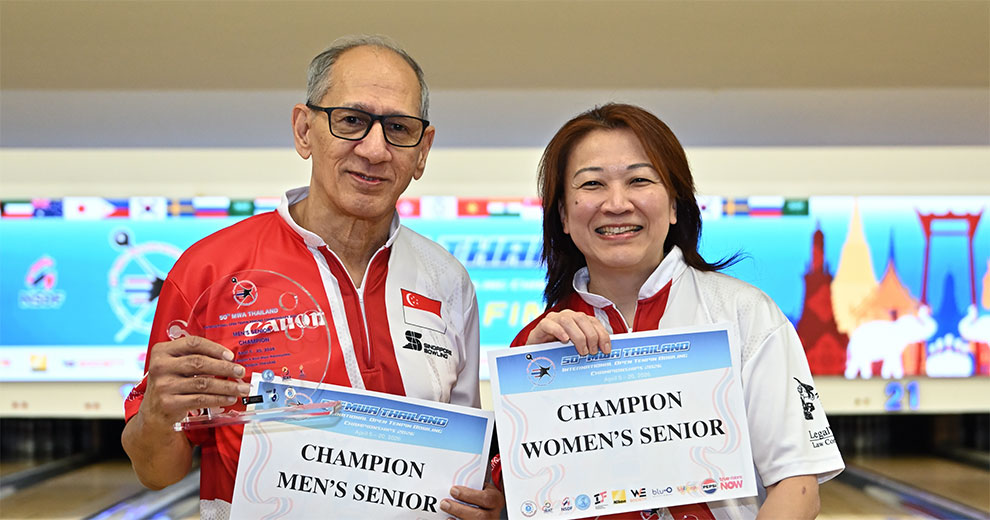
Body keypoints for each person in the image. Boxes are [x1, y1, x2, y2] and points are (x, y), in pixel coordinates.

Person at [121, 35, 504, 519]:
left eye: (399, 128)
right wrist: (157, 415)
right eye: (351, 121)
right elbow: (157, 472)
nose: (375, 149)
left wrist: (486, 503)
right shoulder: (209, 271)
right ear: (304, 130)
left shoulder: (447, 280)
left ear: (422, 150)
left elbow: (461, 468)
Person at [495, 103, 844, 520]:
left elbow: (796, 487)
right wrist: (531, 383)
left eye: (639, 180)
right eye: (592, 184)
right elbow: (517, 493)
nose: (617, 203)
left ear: (675, 205)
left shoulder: (744, 314)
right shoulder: (537, 343)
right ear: (564, 216)